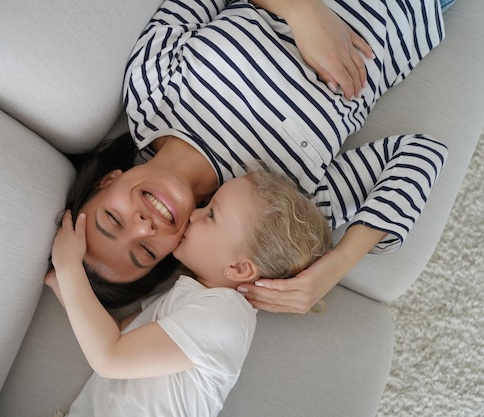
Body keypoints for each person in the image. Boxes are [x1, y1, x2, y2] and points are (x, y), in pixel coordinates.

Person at [62, 0, 448, 313]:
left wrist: (301, 11)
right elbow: (419, 155)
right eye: (145, 250)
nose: (143, 226)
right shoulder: (269, 208)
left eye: (112, 219)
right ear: (169, 253)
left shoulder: (150, 93)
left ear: (106, 180)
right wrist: (338, 264)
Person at [46, 170, 332, 417]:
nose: (193, 215)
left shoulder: (226, 317)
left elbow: (111, 356)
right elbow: (118, 334)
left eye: (210, 214)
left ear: (239, 268)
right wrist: (64, 286)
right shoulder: (197, 297)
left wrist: (69, 266)